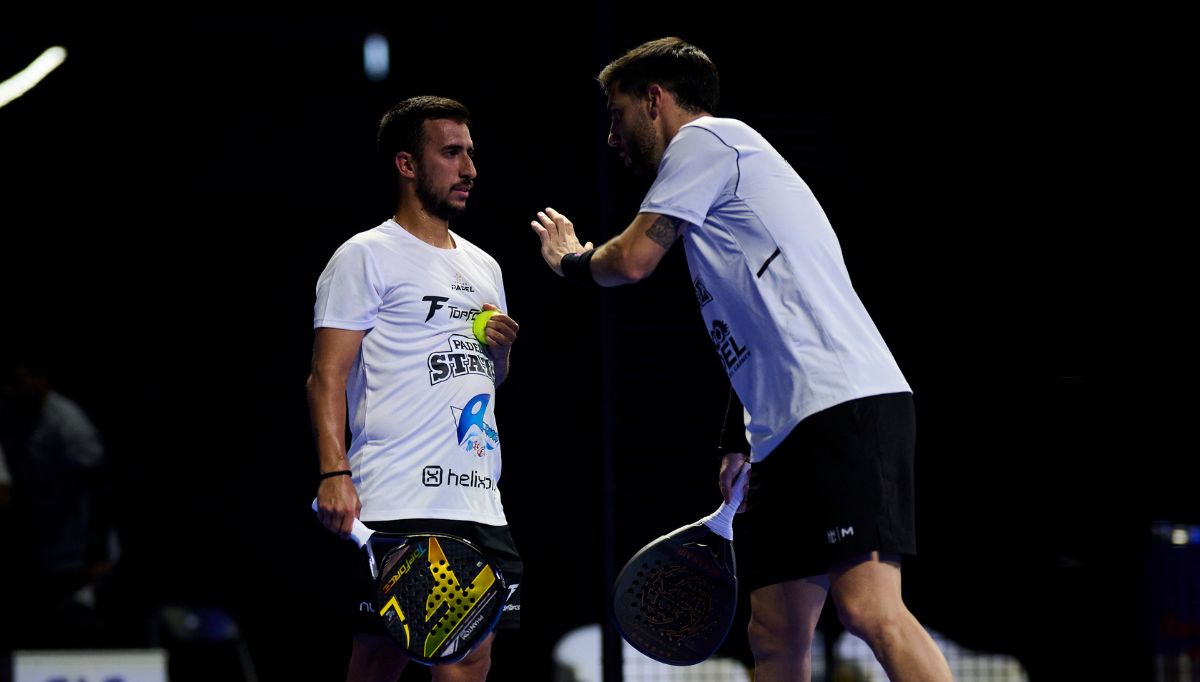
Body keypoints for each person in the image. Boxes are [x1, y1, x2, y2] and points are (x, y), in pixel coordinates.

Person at [529, 38, 953, 681]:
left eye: (617, 114)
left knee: (871, 610)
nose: (612, 136)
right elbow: (758, 322)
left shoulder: (706, 141)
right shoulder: (716, 188)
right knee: (775, 634)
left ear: (655, 99)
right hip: (784, 430)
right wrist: (739, 438)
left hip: (843, 405)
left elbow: (630, 261)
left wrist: (570, 260)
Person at [310, 95, 521, 682]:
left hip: (479, 500)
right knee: (378, 660)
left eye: (470, 154)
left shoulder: (485, 267)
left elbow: (489, 380)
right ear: (407, 164)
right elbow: (326, 375)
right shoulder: (365, 256)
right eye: (451, 153)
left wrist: (501, 354)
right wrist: (334, 473)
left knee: (471, 659)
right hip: (399, 498)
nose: (469, 169)